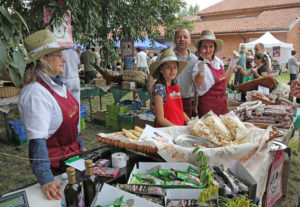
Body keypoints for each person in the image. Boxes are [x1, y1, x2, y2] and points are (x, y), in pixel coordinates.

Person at [18, 29, 85, 200]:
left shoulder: (59, 85)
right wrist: (46, 179)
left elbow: (71, 123)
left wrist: (80, 144)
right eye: (58, 55)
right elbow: (37, 142)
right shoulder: (35, 94)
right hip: (56, 168)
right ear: (43, 60)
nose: (64, 59)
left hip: (73, 159)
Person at [147, 28, 198, 118]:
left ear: (190, 40)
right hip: (166, 100)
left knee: (185, 129)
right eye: (179, 37)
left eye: (185, 37)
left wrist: (196, 104)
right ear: (174, 40)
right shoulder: (166, 56)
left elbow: (196, 84)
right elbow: (151, 77)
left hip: (186, 101)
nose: (182, 39)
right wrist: (152, 100)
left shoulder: (195, 60)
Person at [192, 30, 240, 117]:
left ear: (215, 48)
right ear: (199, 48)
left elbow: (225, 81)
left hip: (222, 105)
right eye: (204, 47)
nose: (208, 50)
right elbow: (198, 83)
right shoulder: (198, 64)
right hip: (207, 108)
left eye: (211, 46)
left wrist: (232, 63)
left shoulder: (218, 61)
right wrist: (201, 71)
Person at [150, 49, 190, 127]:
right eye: (168, 67)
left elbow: (179, 110)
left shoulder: (173, 85)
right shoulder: (159, 88)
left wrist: (191, 123)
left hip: (177, 129)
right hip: (165, 131)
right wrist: (177, 129)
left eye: (174, 67)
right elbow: (160, 119)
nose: (172, 70)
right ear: (161, 69)